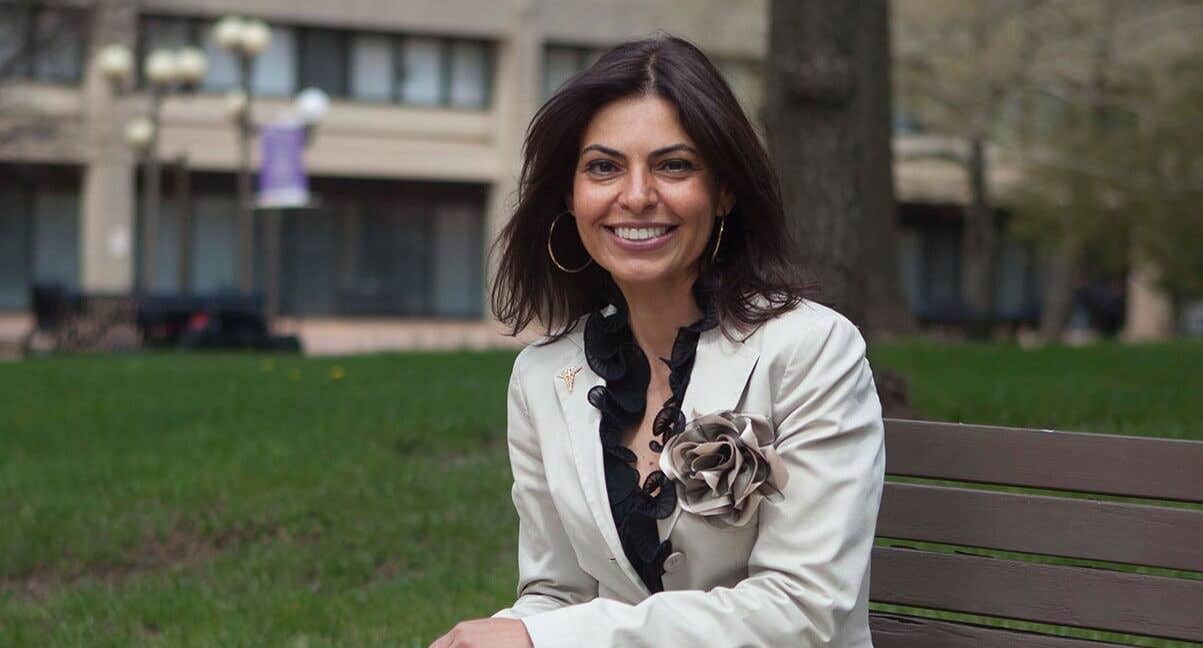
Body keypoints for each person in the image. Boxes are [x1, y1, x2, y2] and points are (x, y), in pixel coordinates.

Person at [430, 34, 885, 648]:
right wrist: (513, 631)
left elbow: (803, 612)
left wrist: (553, 641)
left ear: (723, 190)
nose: (637, 195)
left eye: (673, 165)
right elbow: (558, 594)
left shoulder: (812, 351)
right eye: (603, 167)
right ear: (570, 196)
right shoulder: (542, 378)